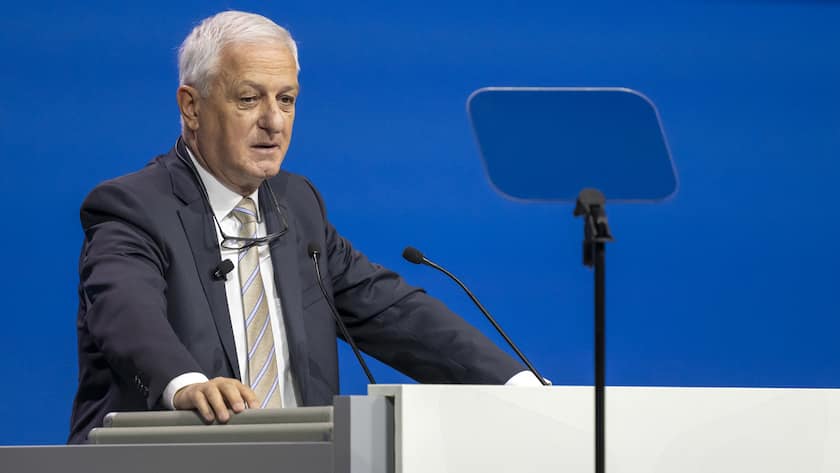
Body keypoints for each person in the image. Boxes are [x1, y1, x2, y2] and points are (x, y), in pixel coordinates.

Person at [68, 10, 538, 444]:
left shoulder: (297, 204)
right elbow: (126, 314)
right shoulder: (133, 207)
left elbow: (391, 311)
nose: (273, 121)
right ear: (192, 107)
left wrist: (519, 385)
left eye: (286, 99)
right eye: (249, 99)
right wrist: (186, 383)